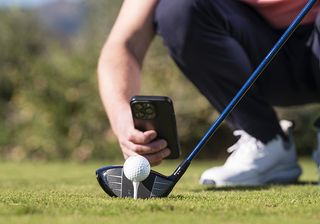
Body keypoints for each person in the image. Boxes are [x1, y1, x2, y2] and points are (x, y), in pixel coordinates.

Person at [98, 0, 320, 186]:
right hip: (261, 59)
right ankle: (264, 139)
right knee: (179, 8)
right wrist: (122, 119)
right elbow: (125, 43)